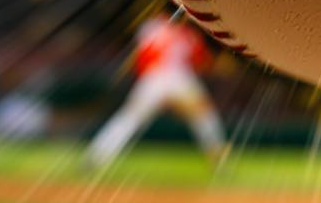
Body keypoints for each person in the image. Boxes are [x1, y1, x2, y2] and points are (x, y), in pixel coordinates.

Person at [86, 14, 228, 171]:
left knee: (128, 119)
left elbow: (142, 57)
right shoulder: (188, 33)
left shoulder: (152, 27)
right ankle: (219, 161)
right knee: (205, 117)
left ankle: (96, 156)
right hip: (178, 78)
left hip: (156, 78)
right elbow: (201, 61)